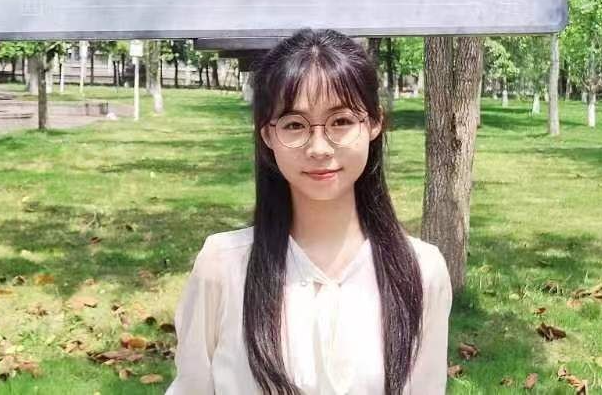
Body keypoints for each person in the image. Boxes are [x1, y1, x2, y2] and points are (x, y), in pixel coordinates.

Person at [165, 28, 452, 395]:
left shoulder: (421, 271)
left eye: (341, 121)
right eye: (295, 125)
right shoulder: (222, 265)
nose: (319, 148)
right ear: (267, 135)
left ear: (374, 123)